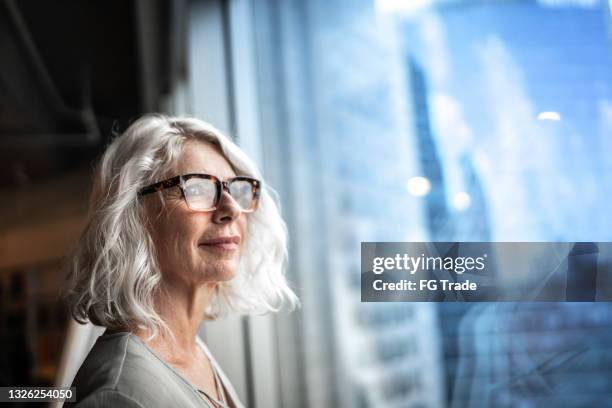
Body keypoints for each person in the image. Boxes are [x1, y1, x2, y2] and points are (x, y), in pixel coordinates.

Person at [63, 114, 298, 407]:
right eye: (197, 188)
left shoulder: (189, 351)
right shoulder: (120, 394)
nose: (231, 209)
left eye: (236, 189)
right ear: (134, 216)